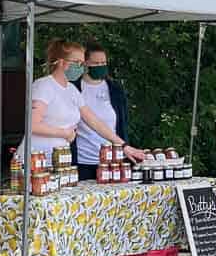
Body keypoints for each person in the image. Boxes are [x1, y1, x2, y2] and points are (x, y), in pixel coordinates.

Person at [16, 39, 144, 165]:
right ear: (61, 62)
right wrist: (64, 133)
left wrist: (123, 145)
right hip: (34, 160)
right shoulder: (44, 86)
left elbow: (95, 122)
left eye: (83, 64)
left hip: (58, 161)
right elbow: (32, 125)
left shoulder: (72, 90)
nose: (81, 68)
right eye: (77, 63)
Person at [71, 41, 132, 180]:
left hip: (112, 161)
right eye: (96, 63)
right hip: (82, 161)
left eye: (103, 63)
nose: (101, 66)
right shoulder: (74, 88)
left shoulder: (115, 89)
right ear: (85, 63)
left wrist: (124, 147)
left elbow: (123, 123)